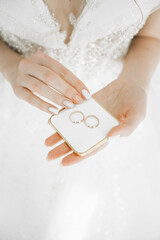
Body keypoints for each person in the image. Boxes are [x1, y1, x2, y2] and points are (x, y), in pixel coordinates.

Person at [0, 0, 160, 239]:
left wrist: (136, 81)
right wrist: (11, 67)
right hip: (22, 101)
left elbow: (152, 35)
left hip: (115, 102)